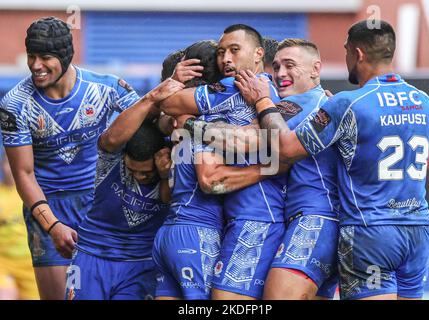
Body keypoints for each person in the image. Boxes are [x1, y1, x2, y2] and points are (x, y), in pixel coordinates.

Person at [235, 20, 429, 300]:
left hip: (371, 231)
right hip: (417, 232)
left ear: (358, 54)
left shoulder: (348, 103)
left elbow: (286, 147)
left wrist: (262, 102)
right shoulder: (424, 101)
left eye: (346, 52)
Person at [0, 17, 141, 299]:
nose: (36, 65)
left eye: (46, 57)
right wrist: (52, 225)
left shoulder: (105, 88)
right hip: (48, 207)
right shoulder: (15, 104)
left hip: (97, 204)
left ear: (66, 55)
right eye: (31, 56)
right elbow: (23, 175)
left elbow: (152, 123)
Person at [153, 40, 270, 300]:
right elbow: (209, 180)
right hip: (197, 232)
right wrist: (267, 169)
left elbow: (165, 194)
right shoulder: (209, 123)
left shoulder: (175, 122)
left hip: (168, 232)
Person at [65, 77, 183, 300]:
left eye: (146, 173)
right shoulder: (111, 159)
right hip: (90, 256)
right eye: (132, 170)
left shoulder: (172, 165)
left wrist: (166, 175)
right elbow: (111, 138)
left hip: (140, 264)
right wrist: (151, 98)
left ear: (160, 159)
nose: (138, 176)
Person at [261, 39, 339, 300]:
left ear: (315, 69)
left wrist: (194, 129)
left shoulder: (298, 105)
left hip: (314, 221)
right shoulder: (328, 104)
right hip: (330, 224)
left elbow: (244, 138)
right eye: (276, 66)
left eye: (290, 65)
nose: (280, 73)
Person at [0, 150, 39, 300]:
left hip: (30, 264)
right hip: (3, 263)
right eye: (6, 164)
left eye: (13, 164)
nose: (9, 169)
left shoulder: (32, 195)